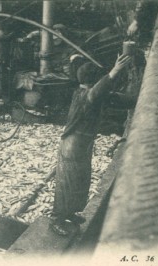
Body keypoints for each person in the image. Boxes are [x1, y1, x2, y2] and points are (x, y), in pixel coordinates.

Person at [51, 54, 133, 236]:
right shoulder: (86, 96)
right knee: (67, 182)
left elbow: (113, 97)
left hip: (82, 144)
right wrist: (116, 70)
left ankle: (71, 213)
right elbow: (97, 92)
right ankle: (56, 219)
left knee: (80, 179)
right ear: (92, 80)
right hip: (73, 145)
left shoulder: (87, 93)